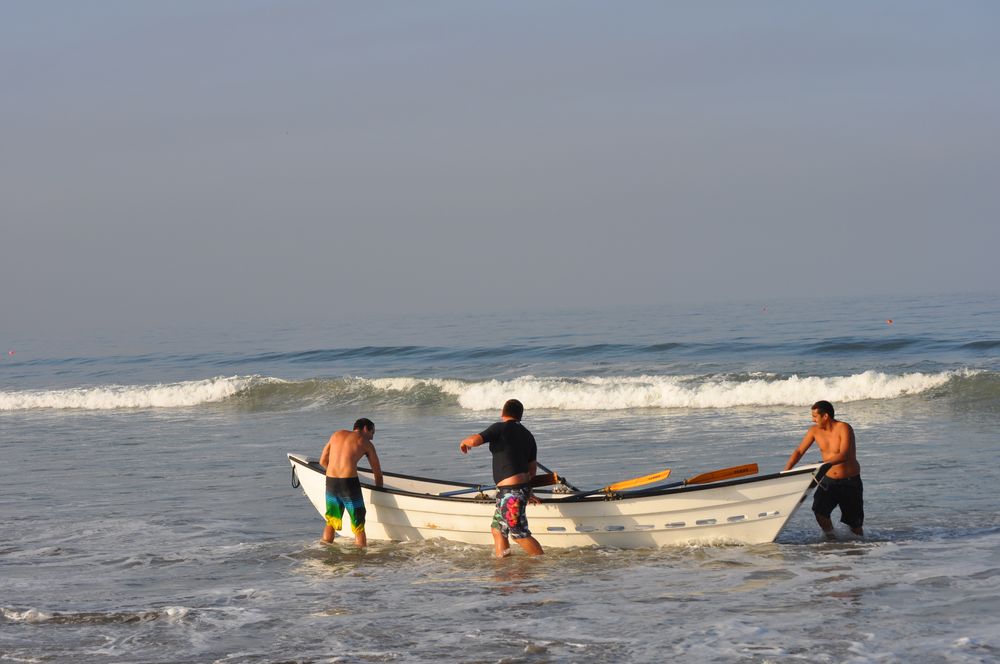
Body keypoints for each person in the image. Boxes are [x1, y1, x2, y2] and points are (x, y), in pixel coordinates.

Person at [460, 399, 544, 557]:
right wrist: (527, 492)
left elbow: (475, 441)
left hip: (511, 492)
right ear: (520, 416)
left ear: (503, 413)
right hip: (514, 490)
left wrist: (464, 441)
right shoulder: (528, 435)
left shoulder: (500, 427)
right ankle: (503, 565)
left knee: (519, 534)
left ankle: (541, 563)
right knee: (498, 530)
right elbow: (532, 470)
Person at [784, 400, 863, 538]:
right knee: (819, 511)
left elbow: (844, 455)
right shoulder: (814, 431)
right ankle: (832, 539)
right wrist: (786, 471)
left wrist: (820, 464)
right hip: (829, 480)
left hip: (850, 482)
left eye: (815, 416)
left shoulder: (844, 427)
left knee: (854, 524)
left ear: (825, 416)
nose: (812, 419)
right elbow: (799, 451)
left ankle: (859, 549)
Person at [319, 418, 383, 547]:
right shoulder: (365, 443)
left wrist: (335, 473)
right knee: (358, 524)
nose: (372, 438)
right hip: (349, 484)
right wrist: (379, 491)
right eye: (372, 433)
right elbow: (377, 472)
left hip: (331, 481)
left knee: (331, 520)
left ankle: (324, 550)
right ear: (365, 428)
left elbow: (322, 461)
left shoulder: (336, 434)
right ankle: (359, 557)